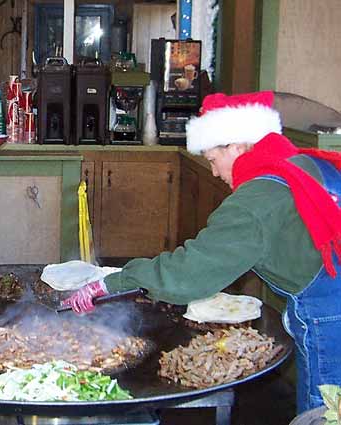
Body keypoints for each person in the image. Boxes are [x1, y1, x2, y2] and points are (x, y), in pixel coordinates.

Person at [62, 91, 341, 414]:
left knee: (326, 413)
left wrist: (111, 283)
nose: (214, 173)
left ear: (236, 145)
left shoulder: (254, 203)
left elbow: (188, 275)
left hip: (330, 314)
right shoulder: (302, 162)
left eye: (212, 159)